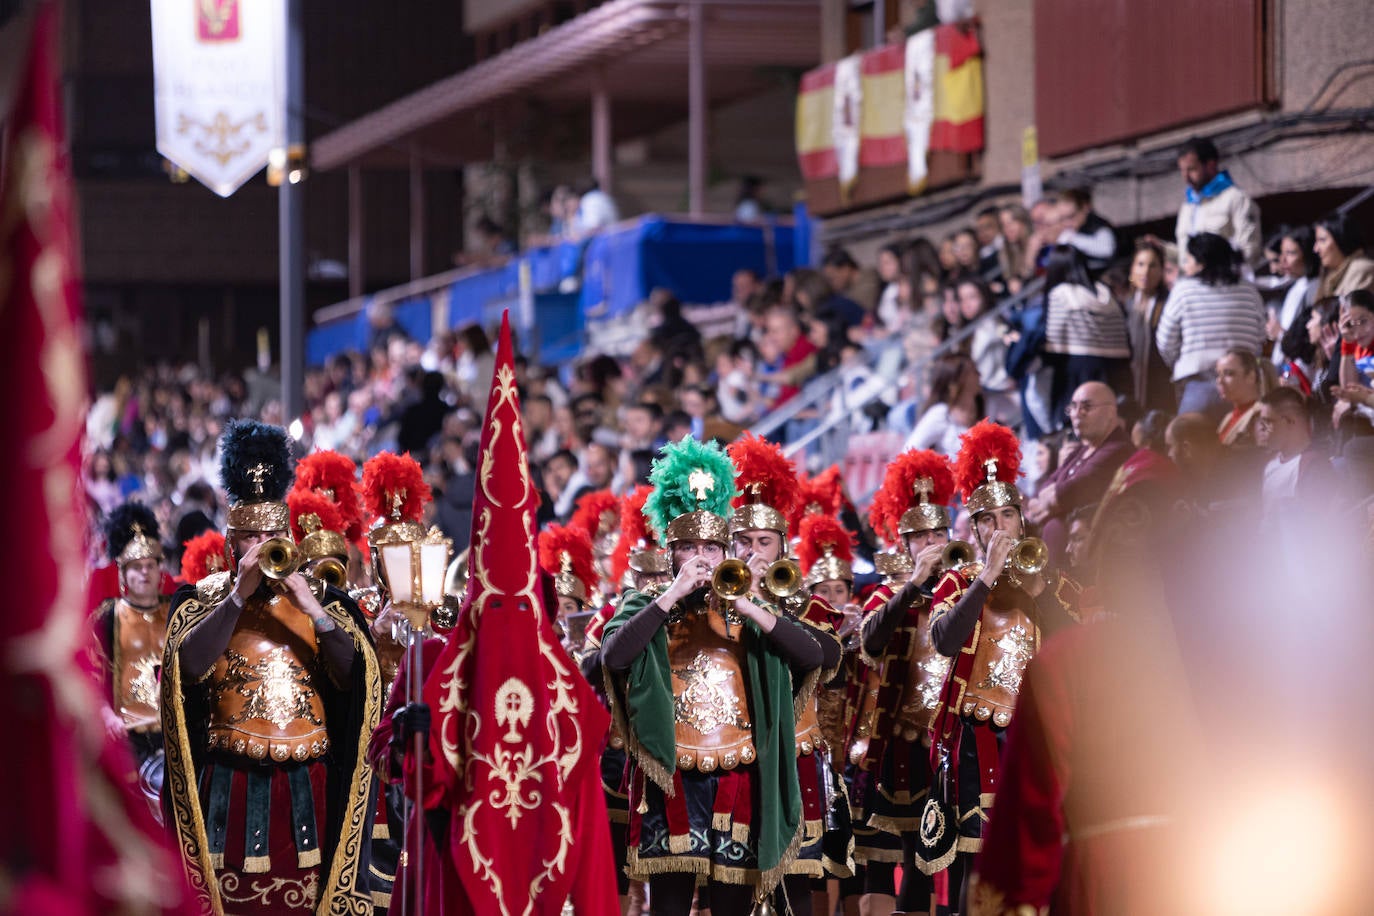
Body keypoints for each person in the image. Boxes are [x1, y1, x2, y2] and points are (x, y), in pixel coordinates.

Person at [160, 419, 379, 914]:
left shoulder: (325, 601)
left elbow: (356, 681)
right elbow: (186, 669)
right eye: (251, 537)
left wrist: (315, 610)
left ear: (290, 535)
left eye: (274, 534)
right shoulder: (198, 603)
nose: (263, 545)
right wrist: (238, 594)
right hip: (229, 790)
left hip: (310, 787)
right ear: (231, 543)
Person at [601, 437, 824, 916]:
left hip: (740, 772)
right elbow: (614, 656)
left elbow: (811, 654)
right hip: (673, 775)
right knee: (670, 906)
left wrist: (746, 603)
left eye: (710, 546)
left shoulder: (747, 605)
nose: (700, 557)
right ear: (671, 554)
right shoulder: (647, 603)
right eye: (688, 548)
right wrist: (671, 596)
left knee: (731, 907)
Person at [920, 421, 1080, 907]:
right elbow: (945, 641)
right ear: (974, 529)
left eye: (1007, 516)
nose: (999, 527)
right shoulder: (957, 582)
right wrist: (986, 577)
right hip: (977, 738)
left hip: (1040, 731)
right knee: (979, 860)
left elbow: (1074, 647)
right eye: (987, 520)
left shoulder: (1051, 583)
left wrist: (1038, 593)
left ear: (1022, 521)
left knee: (1044, 851)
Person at [726, 434, 852, 913]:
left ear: (782, 547)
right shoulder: (717, 601)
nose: (754, 551)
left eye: (763, 542)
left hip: (797, 753)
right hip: (737, 750)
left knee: (796, 884)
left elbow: (825, 661)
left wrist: (758, 601)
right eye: (743, 542)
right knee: (733, 877)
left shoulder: (810, 604)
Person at [855, 449, 959, 916]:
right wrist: (912, 585)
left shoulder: (966, 585)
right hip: (903, 737)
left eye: (939, 533)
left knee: (947, 851)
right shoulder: (889, 592)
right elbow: (871, 640)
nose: (932, 544)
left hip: (955, 732)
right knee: (902, 851)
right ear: (906, 545)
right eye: (921, 538)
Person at [90, 501, 173, 817]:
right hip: (129, 740)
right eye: (136, 566)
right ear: (123, 572)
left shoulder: (177, 611)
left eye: (150, 565)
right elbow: (89, 676)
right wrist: (106, 715)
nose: (144, 572)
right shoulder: (107, 617)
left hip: (174, 734)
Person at [1155, 231, 1266, 420]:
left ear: (1201, 263)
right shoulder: (1249, 290)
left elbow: (1165, 340)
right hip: (1244, 387)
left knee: (1193, 445)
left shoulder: (1183, 290)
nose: (1185, 266)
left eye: (1188, 260)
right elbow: (1260, 336)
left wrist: (1181, 362)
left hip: (1197, 386)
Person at [1024, 382, 1132, 566]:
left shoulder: (1118, 449)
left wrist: (1053, 500)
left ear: (1111, 412)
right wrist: (1051, 500)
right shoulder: (1081, 450)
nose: (1076, 413)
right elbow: (1043, 490)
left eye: (1086, 407)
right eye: (1073, 407)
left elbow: (1066, 492)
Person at [1042, 245, 1132, 419]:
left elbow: (1054, 341)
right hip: (1117, 368)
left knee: (1081, 421)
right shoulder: (1105, 291)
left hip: (1079, 368)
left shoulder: (1061, 293)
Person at [1174, 135, 1261, 269]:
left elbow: (1249, 249)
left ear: (1210, 165)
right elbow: (1183, 256)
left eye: (1191, 169)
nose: (1186, 178)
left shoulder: (1236, 198)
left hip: (1224, 284)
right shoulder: (1187, 207)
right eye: (1182, 171)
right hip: (1192, 285)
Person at [1124, 239, 1176, 411]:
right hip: (1129, 385)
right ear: (1132, 268)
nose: (1145, 271)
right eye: (1140, 264)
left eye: (1152, 265)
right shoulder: (1125, 305)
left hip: (1161, 386)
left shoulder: (1169, 305)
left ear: (1162, 270)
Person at [904, 352, 982, 456]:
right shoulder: (941, 413)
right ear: (957, 382)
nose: (979, 375)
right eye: (973, 371)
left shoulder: (988, 404)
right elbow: (910, 450)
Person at [1268, 226, 1320, 369]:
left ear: (1308, 254)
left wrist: (1279, 333)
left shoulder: (1315, 287)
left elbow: (1306, 339)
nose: (1282, 260)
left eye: (1290, 253)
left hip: (1302, 370)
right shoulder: (1296, 285)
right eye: (1282, 253)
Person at [1215, 347, 1272, 449]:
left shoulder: (1261, 416)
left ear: (1251, 377)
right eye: (1218, 374)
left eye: (1228, 374)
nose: (1220, 381)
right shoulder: (1229, 417)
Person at [1053, 187, 1117, 275]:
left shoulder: (1100, 228)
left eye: (1071, 216)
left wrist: (1073, 239)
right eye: (1062, 218)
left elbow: (1106, 250)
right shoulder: (1071, 231)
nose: (1066, 223)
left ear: (1085, 208)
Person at [1313, 211, 1374, 302]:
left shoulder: (1362, 269)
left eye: (1322, 240)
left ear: (1341, 239)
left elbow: (1349, 313)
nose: (1315, 249)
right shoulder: (1328, 275)